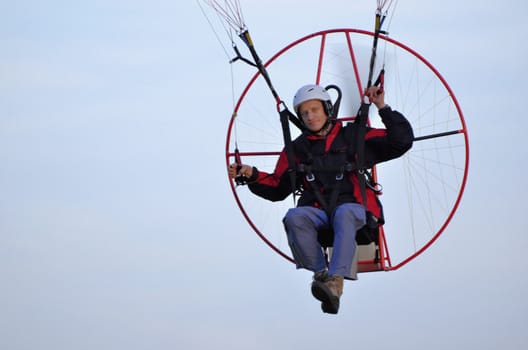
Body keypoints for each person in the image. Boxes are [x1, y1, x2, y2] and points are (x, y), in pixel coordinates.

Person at [228, 84, 414, 314]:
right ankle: (322, 277)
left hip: (356, 211)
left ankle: (336, 281)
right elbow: (277, 187)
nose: (310, 116)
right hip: (318, 214)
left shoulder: (354, 136)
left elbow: (401, 141)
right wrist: (251, 174)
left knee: (345, 213)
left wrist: (382, 107)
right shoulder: (296, 150)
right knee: (294, 216)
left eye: (314, 109)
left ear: (327, 109)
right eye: (304, 113)